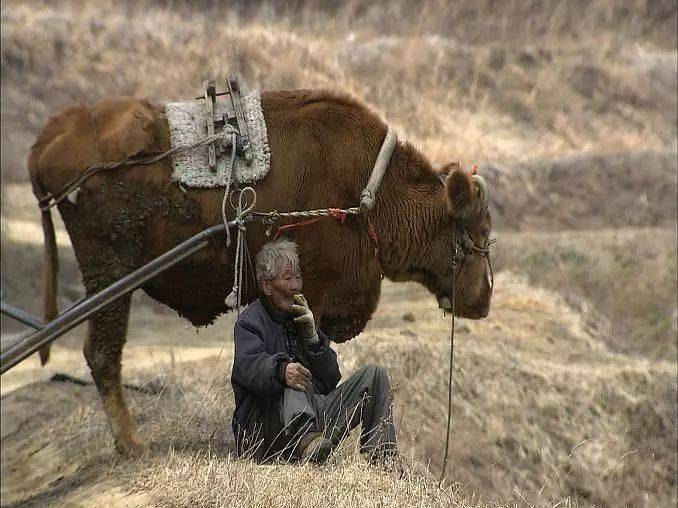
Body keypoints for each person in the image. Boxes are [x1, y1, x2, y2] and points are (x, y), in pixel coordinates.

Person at [231, 238, 397, 464]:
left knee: (374, 375)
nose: (296, 286)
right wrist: (281, 370)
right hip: (265, 430)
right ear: (267, 286)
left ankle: (382, 456)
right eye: (287, 278)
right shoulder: (249, 322)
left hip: (312, 419)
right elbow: (248, 367)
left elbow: (330, 380)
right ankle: (306, 441)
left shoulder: (300, 317)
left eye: (298, 277)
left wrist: (312, 338)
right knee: (293, 375)